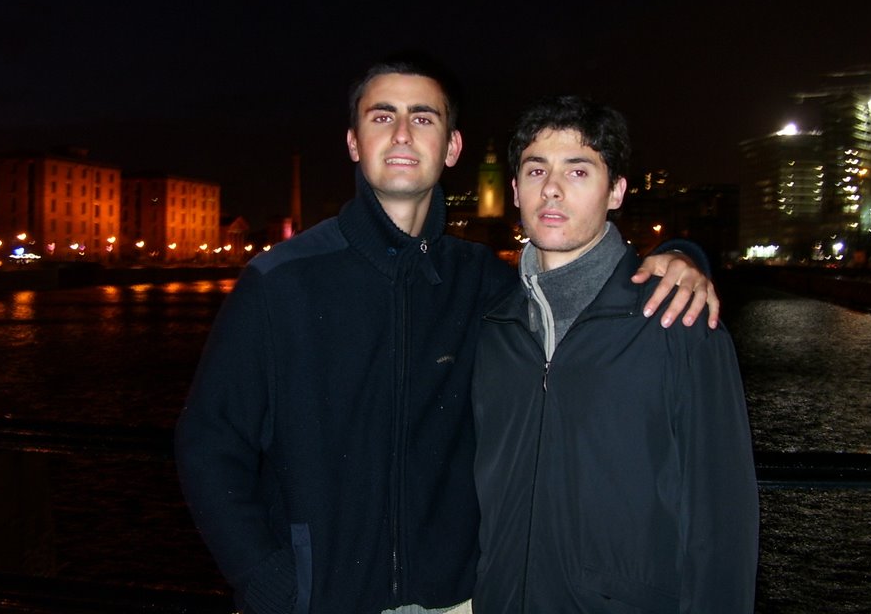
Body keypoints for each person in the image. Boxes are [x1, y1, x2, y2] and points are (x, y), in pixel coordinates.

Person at [175, 59, 718, 614]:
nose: (403, 133)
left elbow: (576, 291)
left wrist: (681, 257)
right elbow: (209, 443)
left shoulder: (484, 283)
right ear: (354, 142)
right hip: (323, 598)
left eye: (424, 118)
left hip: (456, 600)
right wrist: (265, 575)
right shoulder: (281, 281)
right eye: (382, 115)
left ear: (452, 148)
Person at [472, 96, 758, 614]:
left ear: (617, 190)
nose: (552, 189)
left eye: (578, 170)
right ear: (514, 189)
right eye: (536, 170)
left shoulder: (678, 321)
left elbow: (721, 518)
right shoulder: (496, 330)